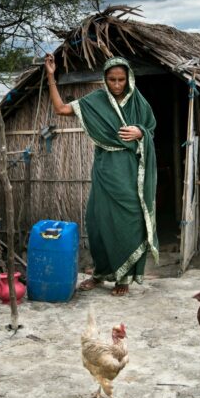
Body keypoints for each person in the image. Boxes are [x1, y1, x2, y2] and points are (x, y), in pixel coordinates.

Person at [44, 53, 158, 296]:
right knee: (99, 222)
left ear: (129, 79)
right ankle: (100, 273)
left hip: (129, 171)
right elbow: (61, 108)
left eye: (121, 80)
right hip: (105, 170)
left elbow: (151, 130)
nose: (117, 85)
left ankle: (123, 278)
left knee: (130, 220)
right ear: (105, 80)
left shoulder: (140, 103)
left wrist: (141, 132)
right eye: (111, 80)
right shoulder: (95, 101)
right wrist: (51, 76)